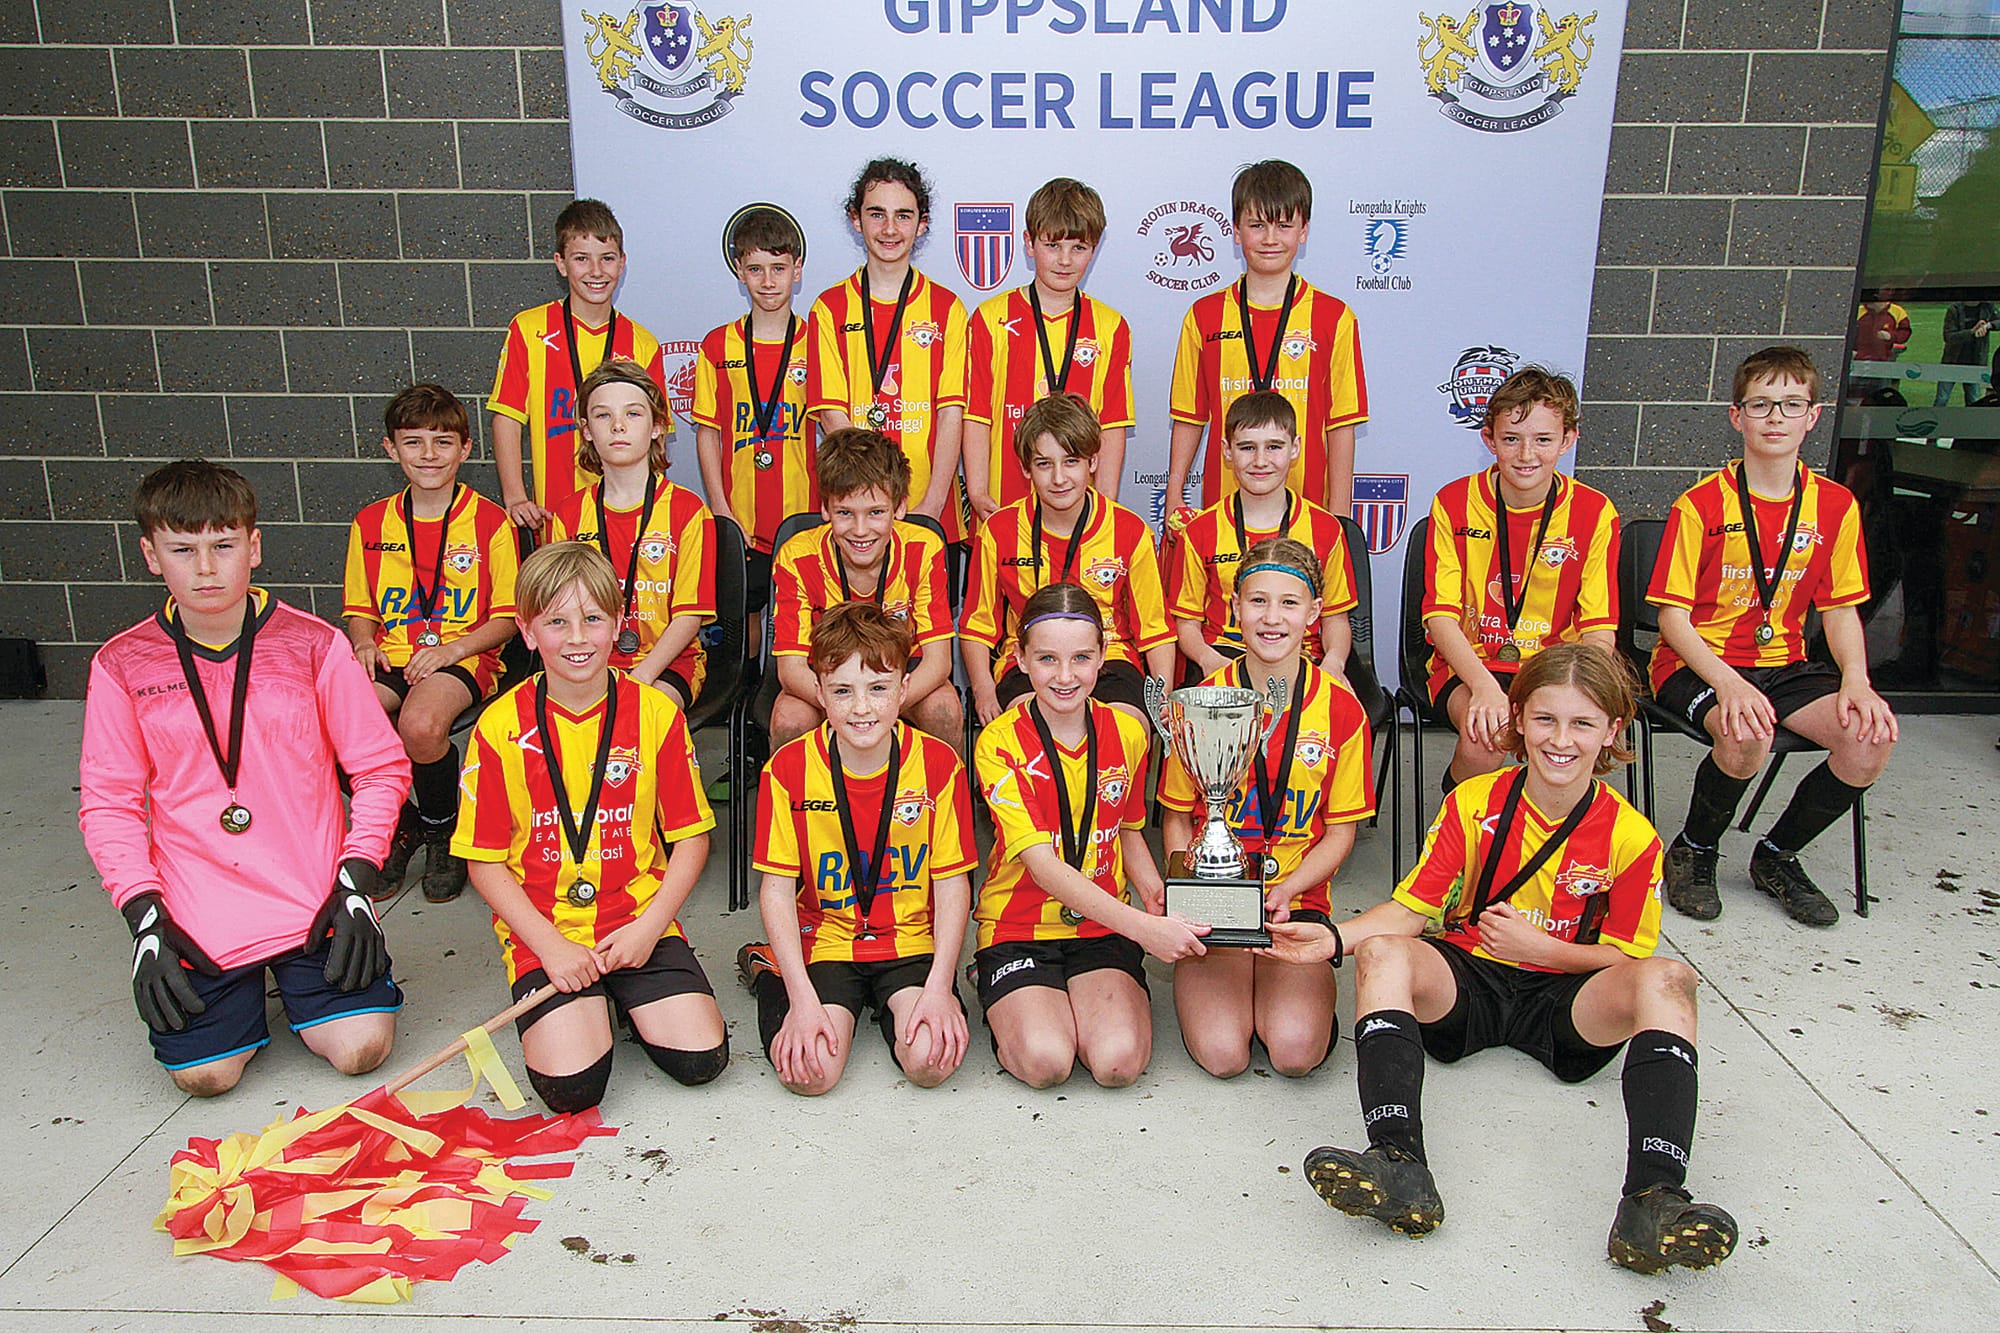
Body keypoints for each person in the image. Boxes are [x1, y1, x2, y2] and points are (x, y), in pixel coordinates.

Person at [1267, 645, 1737, 1275]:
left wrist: (1544, 951)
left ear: (1613, 733)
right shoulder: (1473, 803)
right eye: (1544, 720)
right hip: (1472, 982)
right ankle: (1398, 1163)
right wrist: (1331, 938)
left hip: (1566, 998)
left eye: (1582, 723)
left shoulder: (1632, 836)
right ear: (1518, 721)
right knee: (1382, 953)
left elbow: (1624, 955)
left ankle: (1653, 1200)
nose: (1561, 740)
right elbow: (1411, 910)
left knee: (1671, 979)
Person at [81, 461, 408, 1096]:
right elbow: (109, 804)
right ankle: (233, 979)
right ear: (151, 555)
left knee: (361, 1049)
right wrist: (144, 918)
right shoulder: (121, 663)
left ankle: (297, 968)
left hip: (315, 900)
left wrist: (357, 882)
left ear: (253, 548)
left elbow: (378, 766)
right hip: (198, 913)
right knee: (205, 1078)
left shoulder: (313, 645)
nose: (205, 568)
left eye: (223, 546)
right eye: (183, 549)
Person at [454, 542, 727, 1113]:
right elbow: (482, 862)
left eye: (592, 619)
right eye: (557, 621)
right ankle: (589, 1004)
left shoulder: (657, 714)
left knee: (702, 1060)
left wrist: (650, 928)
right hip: (546, 930)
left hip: (635, 918)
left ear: (617, 625)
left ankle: (625, 995)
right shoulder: (498, 726)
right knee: (572, 1092)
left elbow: (691, 840)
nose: (577, 637)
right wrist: (551, 948)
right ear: (528, 633)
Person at [1650, 346, 1897, 926]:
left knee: (1869, 740)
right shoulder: (1701, 504)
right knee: (1748, 731)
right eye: (1761, 405)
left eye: (1791, 404)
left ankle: (1778, 855)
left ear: (1813, 416)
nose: (1776, 417)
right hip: (1698, 664)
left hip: (1786, 665)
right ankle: (1695, 848)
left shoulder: (1835, 506)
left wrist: (1857, 682)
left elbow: (1839, 611)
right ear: (1737, 417)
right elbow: (1672, 621)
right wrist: (1730, 685)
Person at [972, 583, 1207, 1089]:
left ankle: (1070, 997)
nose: (1064, 676)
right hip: (1019, 927)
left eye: (1081, 658)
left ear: (1104, 656)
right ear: (1020, 660)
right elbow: (1042, 864)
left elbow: (1125, 829)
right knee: (1047, 1061)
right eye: (1047, 659)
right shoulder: (998, 742)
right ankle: (1002, 988)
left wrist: (1156, 893)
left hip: (1101, 927)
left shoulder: (1128, 731)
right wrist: (1144, 928)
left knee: (1117, 1063)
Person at [740, 603, 978, 1094]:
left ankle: (896, 999)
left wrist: (940, 986)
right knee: (811, 1076)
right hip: (826, 941)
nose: (862, 708)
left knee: (931, 1063)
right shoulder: (786, 770)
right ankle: (771, 970)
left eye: (878, 689)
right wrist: (801, 1000)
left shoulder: (940, 766)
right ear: (820, 692)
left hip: (910, 940)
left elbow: (953, 887)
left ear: (904, 690)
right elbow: (778, 892)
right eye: (843, 691)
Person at [1161, 539, 1374, 1078]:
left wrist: (1287, 890)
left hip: (1294, 903)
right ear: (1234, 609)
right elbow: (1177, 818)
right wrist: (1198, 890)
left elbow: (1341, 833)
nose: (1272, 618)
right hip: (1221, 903)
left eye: (1289, 603)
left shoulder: (1343, 709)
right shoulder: (1200, 701)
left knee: (1295, 1053)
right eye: (1257, 601)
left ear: (1314, 614)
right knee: (1223, 1055)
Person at [343, 384, 519, 902]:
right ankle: (405, 822)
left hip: (466, 654)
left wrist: (453, 649)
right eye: (413, 442)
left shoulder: (490, 521)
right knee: (337, 726)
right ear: (390, 449)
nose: (428, 455)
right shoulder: (370, 523)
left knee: (419, 725)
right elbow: (360, 609)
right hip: (394, 651)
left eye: (442, 442)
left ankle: (443, 829)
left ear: (465, 450)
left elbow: (509, 617)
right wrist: (361, 645)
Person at [1421, 367, 1619, 791]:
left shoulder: (1594, 511)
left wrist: (1580, 690)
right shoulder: (1453, 502)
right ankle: (1458, 832)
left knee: (1569, 738)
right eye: (1511, 439)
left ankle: (1543, 838)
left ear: (1567, 440)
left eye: (1543, 440)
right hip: (1471, 665)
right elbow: (1440, 618)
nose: (1527, 453)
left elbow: (1599, 628)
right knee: (1488, 736)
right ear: (1489, 440)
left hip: (1555, 670)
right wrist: (1484, 687)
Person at [1165, 159, 1367, 519]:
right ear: (1236, 231)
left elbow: (1341, 428)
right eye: (1257, 225)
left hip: (1308, 513)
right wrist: (1174, 494)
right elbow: (1189, 417)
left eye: (1284, 225)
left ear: (1303, 231)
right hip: (1222, 512)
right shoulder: (1204, 315)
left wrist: (1338, 517)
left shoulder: (1334, 317)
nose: (1270, 239)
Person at [960, 392, 1174, 729]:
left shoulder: (1130, 531)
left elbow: (1156, 630)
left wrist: (1163, 696)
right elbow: (977, 625)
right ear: (1026, 468)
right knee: (1028, 727)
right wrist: (983, 689)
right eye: (1045, 463)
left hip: (1109, 659)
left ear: (1093, 462)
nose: (1059, 478)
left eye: (1071, 461)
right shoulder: (999, 530)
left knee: (1127, 731)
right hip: (1028, 661)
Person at [807, 158, 971, 544]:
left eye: (903, 215)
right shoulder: (828, 308)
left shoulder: (947, 308)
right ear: (855, 219)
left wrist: (931, 505)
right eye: (876, 214)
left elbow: (951, 417)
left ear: (922, 223)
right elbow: (833, 418)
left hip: (930, 511)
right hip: (856, 517)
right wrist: (871, 505)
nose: (890, 229)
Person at [769, 426, 961, 751]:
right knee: (789, 720)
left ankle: (945, 800)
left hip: (901, 674)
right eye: (845, 513)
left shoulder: (923, 548)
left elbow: (939, 663)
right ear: (825, 509)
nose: (860, 531)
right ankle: (799, 801)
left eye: (875, 513)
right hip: (828, 678)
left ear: (899, 508)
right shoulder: (796, 556)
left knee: (943, 710)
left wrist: (879, 706)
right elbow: (790, 670)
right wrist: (847, 705)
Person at [489, 199, 670, 531]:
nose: (596, 271)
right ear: (561, 263)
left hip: (624, 514)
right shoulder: (530, 329)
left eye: (607, 259)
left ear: (622, 263)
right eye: (581, 259)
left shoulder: (642, 342)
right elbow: (507, 418)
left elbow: (655, 435)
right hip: (551, 514)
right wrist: (514, 496)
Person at [547, 358, 716, 708]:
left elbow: (688, 618)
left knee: (636, 717)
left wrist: (637, 680)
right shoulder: (568, 514)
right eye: (603, 415)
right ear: (587, 430)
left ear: (657, 426)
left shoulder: (688, 511)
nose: (618, 426)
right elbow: (559, 609)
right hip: (585, 659)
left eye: (633, 414)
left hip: (666, 663)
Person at [963, 177, 1134, 520]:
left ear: (1095, 248)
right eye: (1053, 246)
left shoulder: (1111, 326)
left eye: (1079, 247)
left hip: (1080, 509)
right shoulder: (989, 318)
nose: (1065, 260)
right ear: (1029, 243)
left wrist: (1107, 498)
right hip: (1003, 504)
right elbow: (977, 416)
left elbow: (1112, 424)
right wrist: (979, 492)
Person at [1172, 390, 1358, 684]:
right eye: (1247, 447)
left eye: (1274, 447)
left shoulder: (1326, 528)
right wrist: (1209, 659)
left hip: (1302, 656)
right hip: (1226, 654)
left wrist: (1334, 663)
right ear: (1227, 450)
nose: (1260, 461)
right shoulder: (1200, 531)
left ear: (1295, 448)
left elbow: (1335, 619)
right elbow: (1187, 624)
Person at [693, 205, 815, 613]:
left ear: (797, 270)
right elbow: (708, 433)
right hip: (741, 517)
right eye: (756, 269)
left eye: (778, 268)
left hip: (808, 515)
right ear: (739, 271)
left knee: (809, 615)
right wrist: (722, 511)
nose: (767, 281)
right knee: (745, 618)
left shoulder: (819, 342)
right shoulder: (717, 345)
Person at [1937, 300, 1996, 407]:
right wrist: (1971, 332)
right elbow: (1949, 337)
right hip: (1952, 362)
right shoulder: (1954, 309)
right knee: (1942, 399)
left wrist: (1989, 325)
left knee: (1973, 401)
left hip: (1975, 363)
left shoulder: (1987, 307)